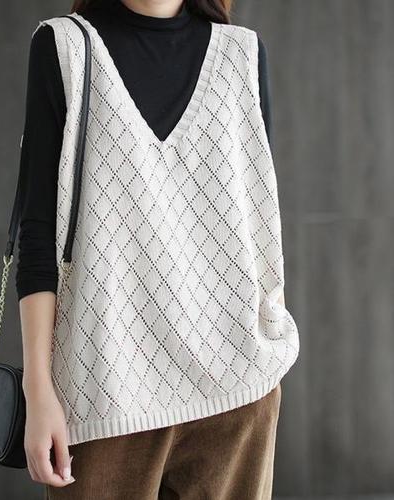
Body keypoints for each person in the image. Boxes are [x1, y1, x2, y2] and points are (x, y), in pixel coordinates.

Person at [15, 0, 300, 498]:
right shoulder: (65, 47)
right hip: (105, 395)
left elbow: (260, 225)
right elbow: (38, 233)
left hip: (236, 392)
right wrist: (38, 389)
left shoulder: (241, 54)